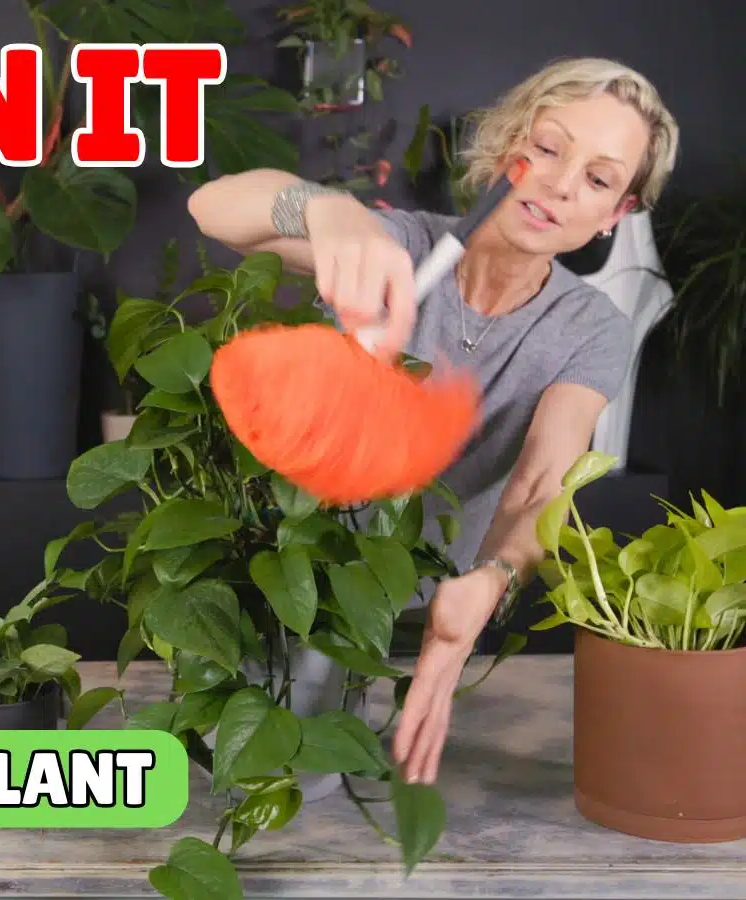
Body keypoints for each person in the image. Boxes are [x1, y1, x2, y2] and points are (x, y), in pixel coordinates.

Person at [186, 57, 679, 785]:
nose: (560, 182)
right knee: (252, 786)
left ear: (616, 213)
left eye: (599, 179)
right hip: (282, 576)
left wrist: (494, 579)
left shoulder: (588, 327)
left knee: (341, 801)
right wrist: (328, 213)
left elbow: (544, 479)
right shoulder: (402, 246)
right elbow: (213, 208)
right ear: (508, 142)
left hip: (416, 616)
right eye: (546, 147)